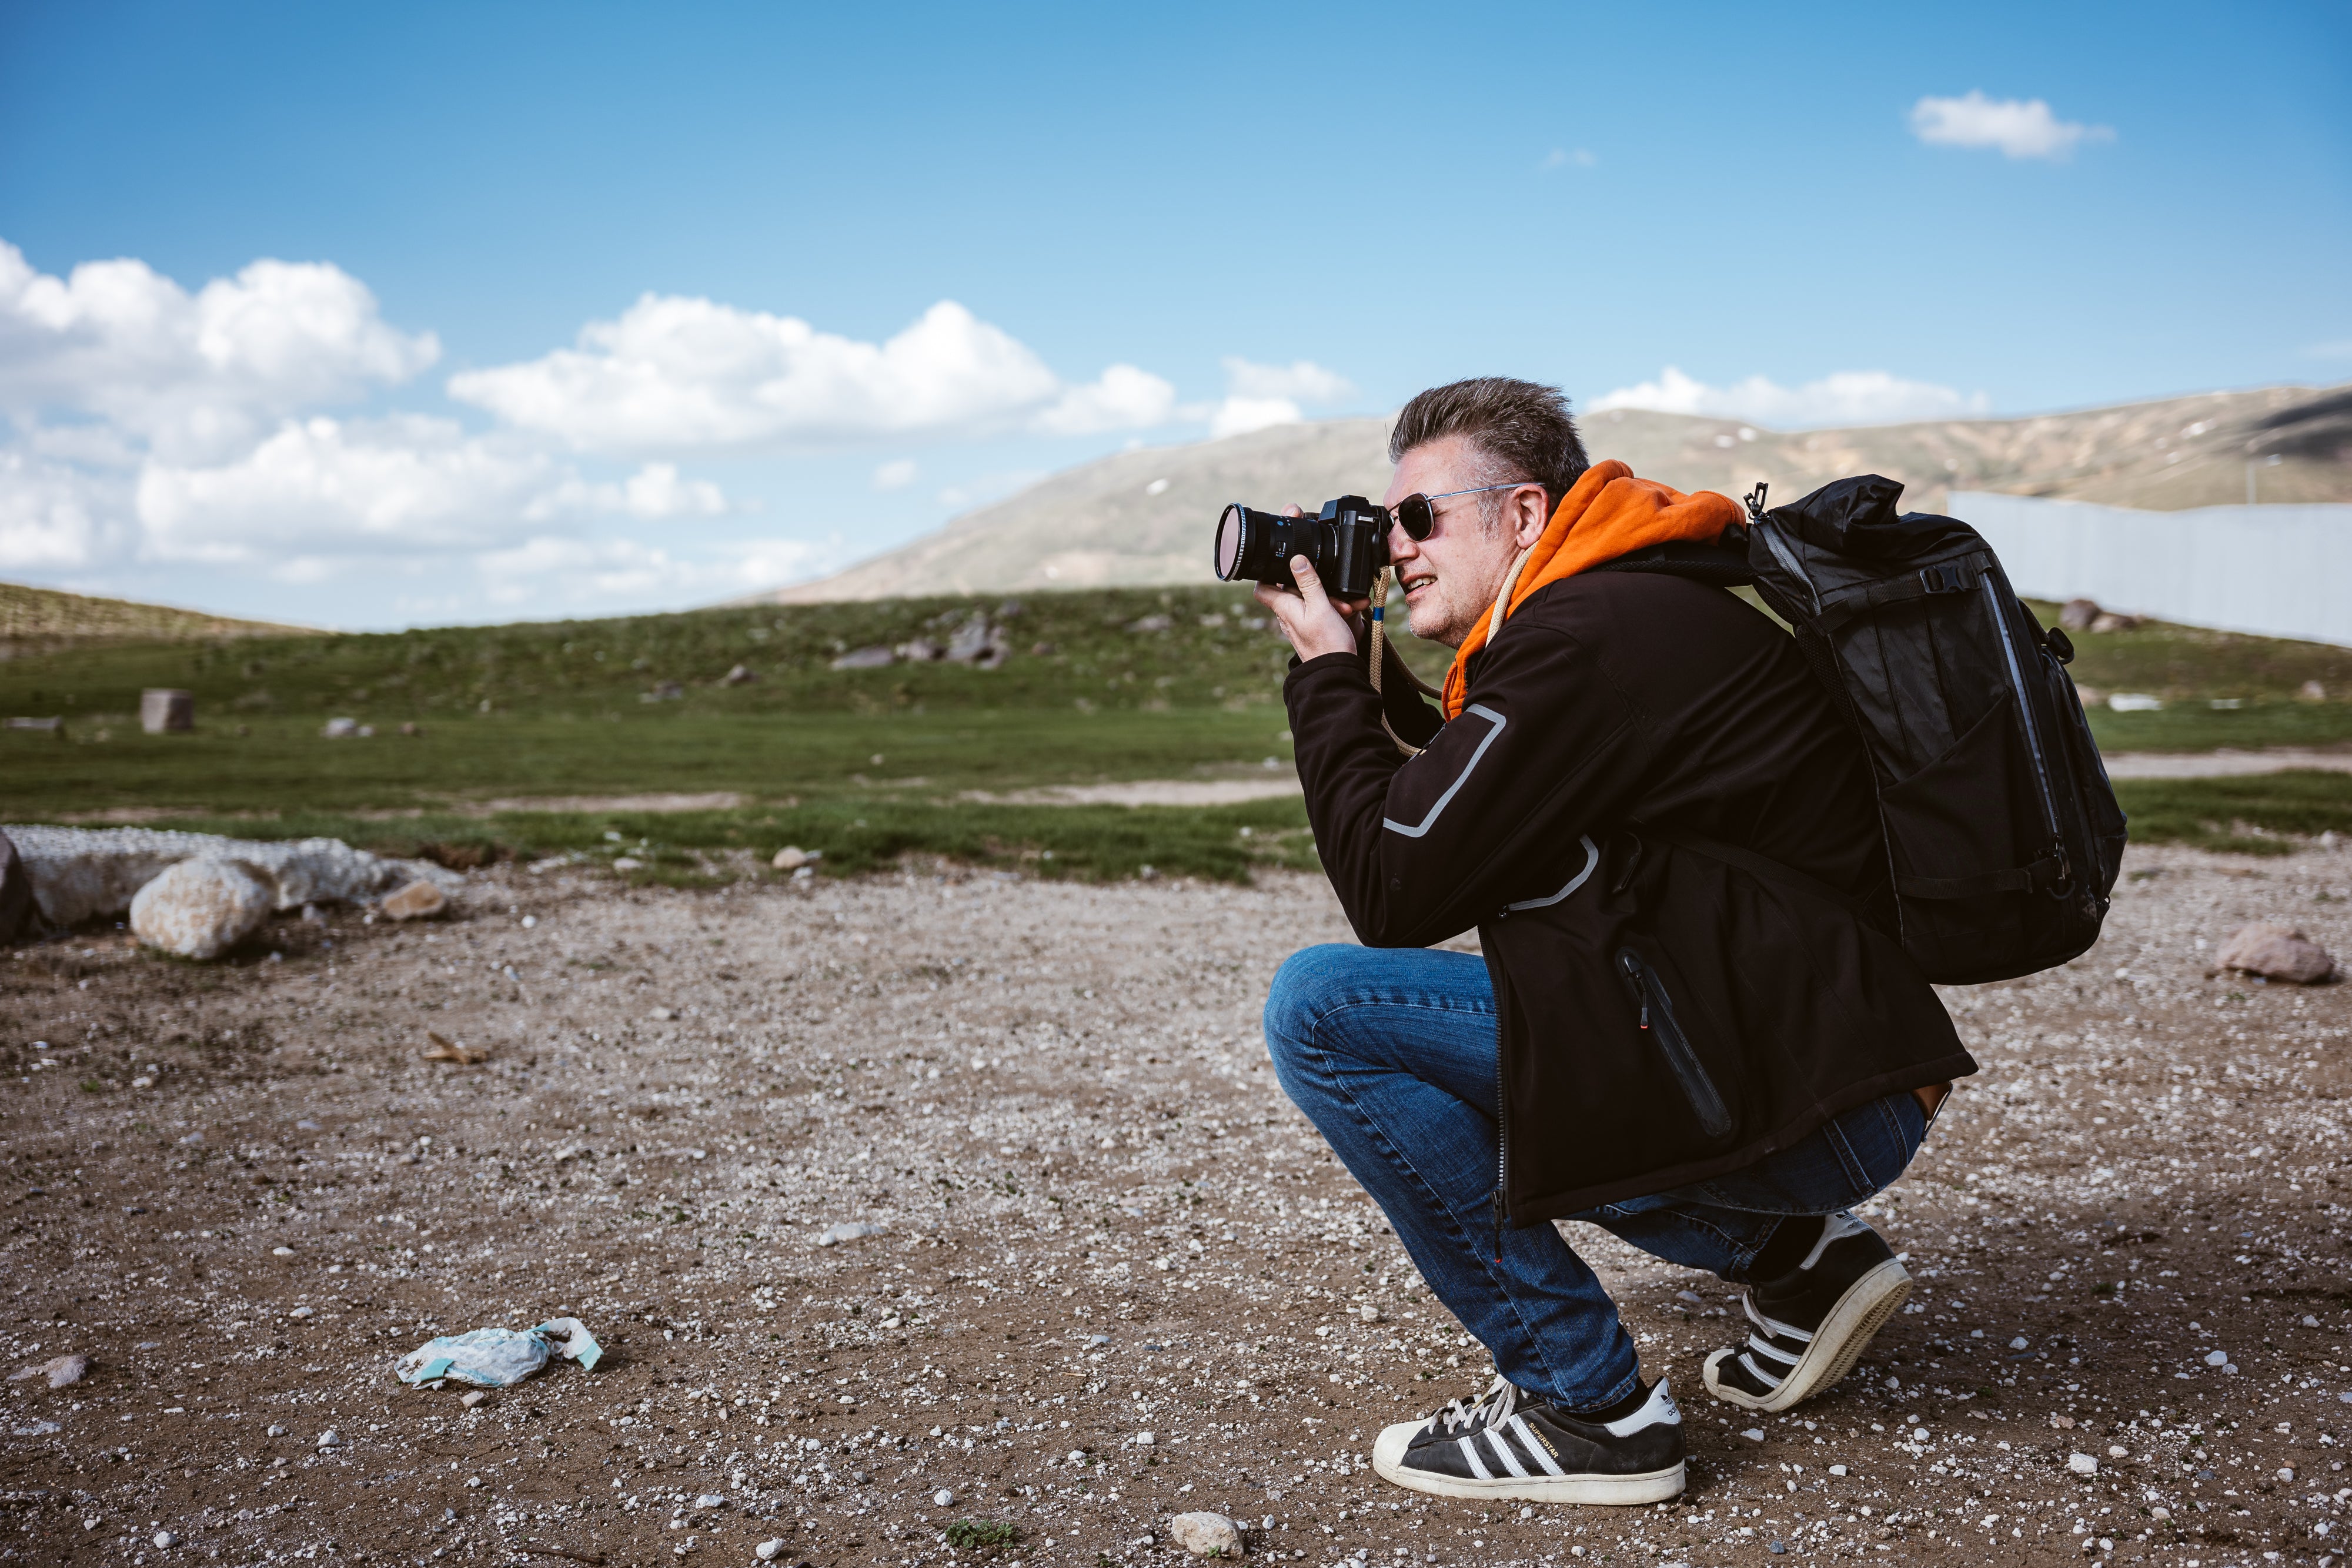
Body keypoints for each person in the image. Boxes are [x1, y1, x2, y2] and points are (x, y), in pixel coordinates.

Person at [1254, 377, 1972, 1506]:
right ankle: (1802, 1259)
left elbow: (1392, 886)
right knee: (1515, 1038)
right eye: (1387, 523)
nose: (1397, 550)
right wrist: (1355, 658)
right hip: (1834, 1075)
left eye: (1422, 520)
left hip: (1805, 1091)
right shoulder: (1623, 601)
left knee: (1323, 1010)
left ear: (1526, 514)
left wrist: (1324, 679)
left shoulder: (1582, 639)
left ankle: (1585, 1408)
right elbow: (1460, 794)